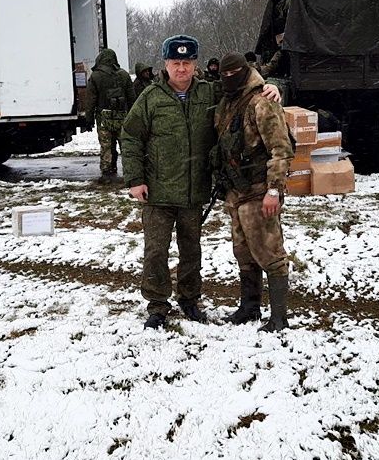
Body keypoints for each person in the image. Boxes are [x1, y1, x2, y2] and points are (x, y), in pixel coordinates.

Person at [121, 35, 281, 329]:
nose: (181, 69)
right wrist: (135, 179)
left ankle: (190, 300)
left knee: (191, 250)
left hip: (194, 191)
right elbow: (130, 136)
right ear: (165, 64)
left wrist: (271, 87)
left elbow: (245, 87)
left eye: (187, 63)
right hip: (157, 191)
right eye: (175, 63)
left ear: (195, 65)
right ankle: (157, 306)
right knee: (156, 251)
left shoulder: (209, 92)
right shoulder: (150, 97)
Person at [214, 52, 294, 332]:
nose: (228, 78)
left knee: (270, 252)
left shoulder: (263, 101)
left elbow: (281, 149)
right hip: (236, 191)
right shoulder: (227, 99)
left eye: (233, 73)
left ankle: (279, 317)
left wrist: (274, 190)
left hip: (260, 189)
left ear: (245, 71)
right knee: (244, 252)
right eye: (223, 74)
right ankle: (249, 308)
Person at [85, 48, 134, 184]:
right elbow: (132, 98)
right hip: (122, 117)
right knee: (125, 145)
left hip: (104, 117)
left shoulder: (95, 76)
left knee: (106, 145)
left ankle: (107, 172)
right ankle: (130, 171)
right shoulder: (124, 75)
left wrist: (88, 119)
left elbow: (90, 100)